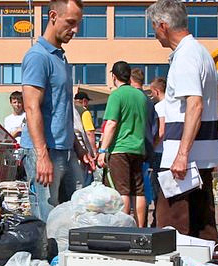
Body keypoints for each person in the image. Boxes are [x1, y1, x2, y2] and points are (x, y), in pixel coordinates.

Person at [147, 0, 218, 242]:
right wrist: (208, 120)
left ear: (163, 26)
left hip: (181, 161)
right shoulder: (201, 52)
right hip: (201, 156)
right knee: (203, 229)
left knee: (173, 229)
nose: (154, 34)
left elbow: (195, 103)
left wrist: (182, 153)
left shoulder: (184, 57)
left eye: (153, 27)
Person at [21, 0, 94, 222]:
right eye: (71, 23)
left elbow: (63, 107)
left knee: (76, 215)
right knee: (47, 219)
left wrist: (78, 147)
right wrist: (42, 156)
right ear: (53, 16)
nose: (75, 30)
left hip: (65, 150)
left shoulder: (60, 58)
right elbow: (32, 106)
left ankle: (65, 257)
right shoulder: (38, 57)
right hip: (45, 152)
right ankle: (45, 257)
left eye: (78, 24)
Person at [96, 61, 148, 227]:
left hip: (120, 149)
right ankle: (140, 226)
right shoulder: (141, 96)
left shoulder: (116, 95)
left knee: (123, 190)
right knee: (138, 191)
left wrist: (103, 150)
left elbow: (111, 123)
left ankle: (124, 228)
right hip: (138, 148)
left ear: (113, 76)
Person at [130, 67, 158, 225]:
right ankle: (142, 224)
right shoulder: (149, 102)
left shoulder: (130, 97)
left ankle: (130, 225)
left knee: (128, 190)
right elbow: (156, 129)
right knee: (143, 190)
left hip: (130, 148)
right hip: (146, 149)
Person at [150, 77, 168, 227]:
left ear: (156, 91)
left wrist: (153, 145)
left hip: (160, 151)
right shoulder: (174, 105)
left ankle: (158, 220)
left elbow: (161, 130)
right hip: (170, 151)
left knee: (157, 188)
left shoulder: (160, 107)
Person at [75, 91, 97, 187]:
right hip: (83, 152)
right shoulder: (84, 112)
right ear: (84, 101)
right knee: (84, 183)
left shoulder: (69, 109)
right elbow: (89, 132)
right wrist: (93, 152)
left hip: (70, 149)